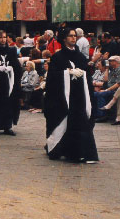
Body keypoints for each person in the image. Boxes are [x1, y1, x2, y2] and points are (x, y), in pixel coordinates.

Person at [43, 27, 99, 163]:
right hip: (63, 98)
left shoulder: (80, 57)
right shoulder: (57, 57)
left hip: (79, 96)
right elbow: (52, 78)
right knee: (63, 122)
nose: (73, 38)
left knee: (80, 124)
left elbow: (87, 76)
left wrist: (82, 73)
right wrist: (67, 73)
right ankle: (59, 148)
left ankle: (80, 152)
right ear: (64, 38)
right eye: (70, 36)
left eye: (75, 36)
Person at [93, 56, 120, 123]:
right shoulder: (112, 69)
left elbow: (118, 84)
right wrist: (106, 68)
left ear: (115, 62)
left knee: (100, 94)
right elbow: (105, 80)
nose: (109, 62)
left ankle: (102, 116)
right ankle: (95, 114)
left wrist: (107, 90)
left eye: (110, 61)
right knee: (93, 94)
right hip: (109, 88)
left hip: (116, 90)